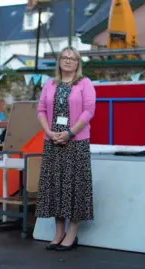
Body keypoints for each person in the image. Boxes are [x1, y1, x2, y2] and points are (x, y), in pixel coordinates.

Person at [35, 46, 96, 251]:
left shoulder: (85, 83)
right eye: (65, 57)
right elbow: (41, 110)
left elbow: (88, 111)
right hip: (52, 142)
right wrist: (50, 132)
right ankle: (59, 231)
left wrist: (70, 133)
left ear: (78, 63)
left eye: (73, 58)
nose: (68, 61)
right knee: (55, 187)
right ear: (59, 61)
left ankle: (72, 233)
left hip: (76, 142)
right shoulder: (50, 84)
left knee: (75, 187)